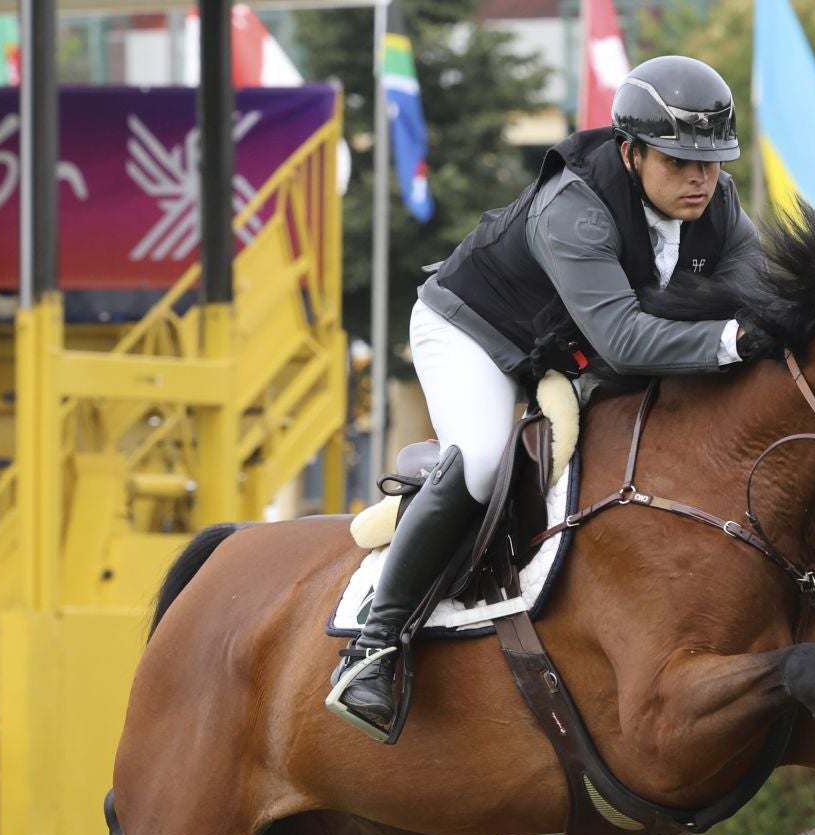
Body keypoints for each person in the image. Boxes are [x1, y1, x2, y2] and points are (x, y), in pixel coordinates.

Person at [326, 56, 766, 739]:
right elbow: (627, 340)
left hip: (566, 352)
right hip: (476, 333)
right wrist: (735, 339)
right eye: (679, 160)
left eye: (711, 162)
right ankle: (373, 648)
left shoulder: (722, 206)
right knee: (481, 460)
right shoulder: (575, 208)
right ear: (631, 150)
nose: (699, 178)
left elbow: (759, 299)